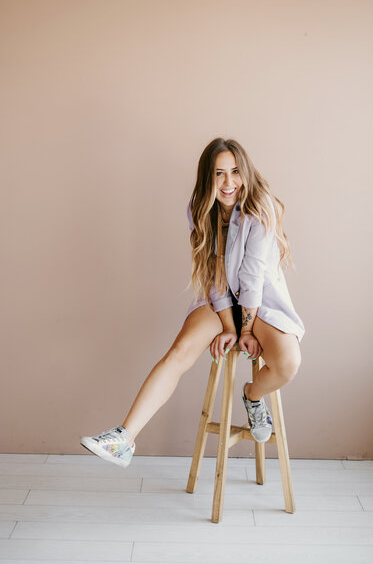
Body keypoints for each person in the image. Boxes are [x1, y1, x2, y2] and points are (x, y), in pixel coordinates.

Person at [80, 137, 305, 468]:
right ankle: (124, 439)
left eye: (234, 172)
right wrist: (229, 326)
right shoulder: (200, 209)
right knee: (179, 353)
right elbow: (213, 273)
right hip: (222, 299)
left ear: (245, 173)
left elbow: (253, 279)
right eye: (218, 174)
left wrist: (245, 332)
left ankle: (253, 396)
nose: (228, 183)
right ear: (207, 177)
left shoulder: (261, 207)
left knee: (288, 363)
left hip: (260, 300)